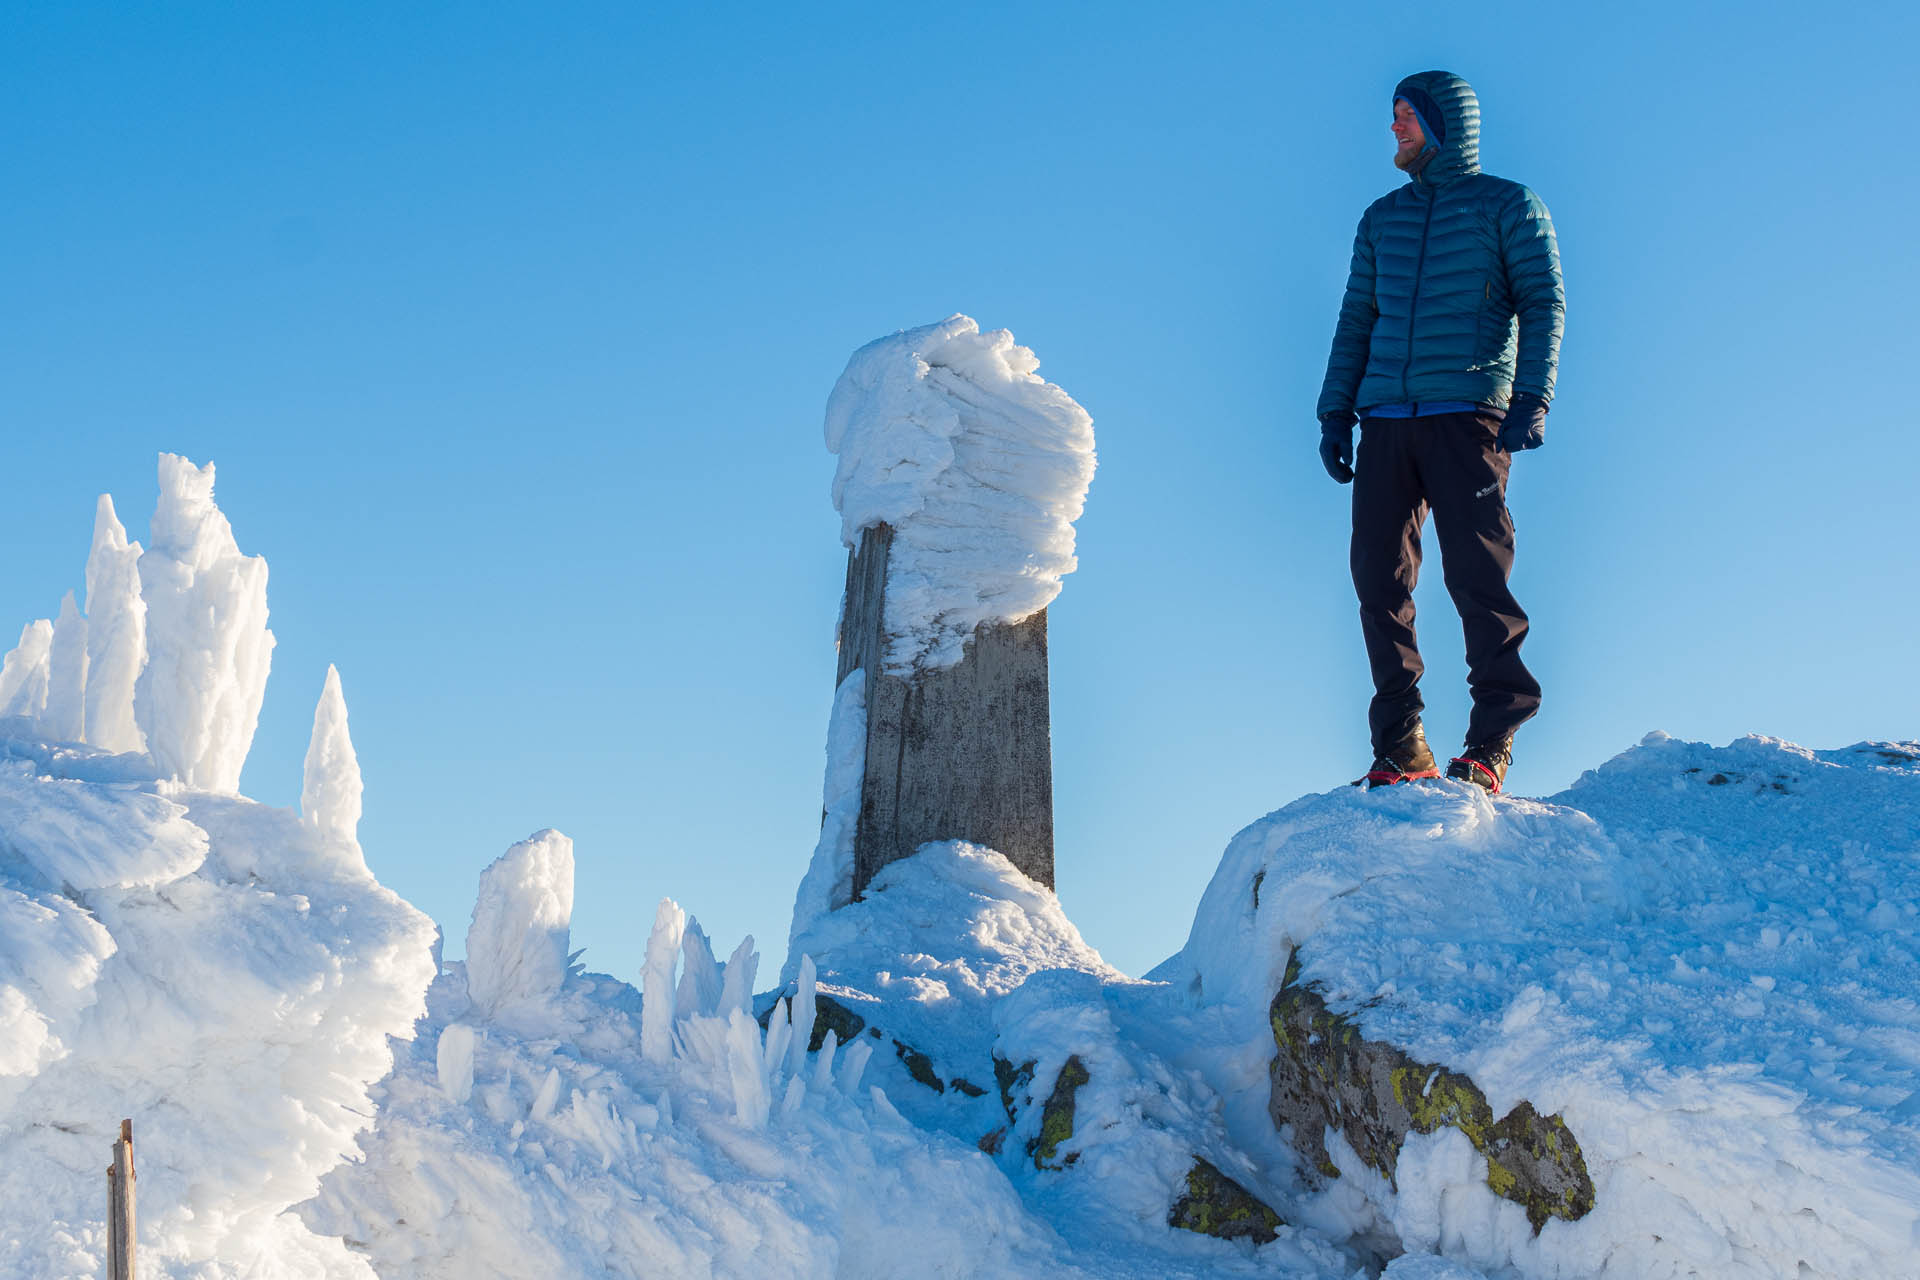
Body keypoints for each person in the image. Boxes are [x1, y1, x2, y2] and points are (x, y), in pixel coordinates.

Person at [1316, 70, 1564, 794]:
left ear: (1442, 124)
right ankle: (1401, 742)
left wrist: (1532, 397)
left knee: (1478, 578)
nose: (1393, 129)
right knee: (1377, 579)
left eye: (1405, 117)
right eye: (1393, 116)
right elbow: (1357, 318)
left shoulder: (1508, 206)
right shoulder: (1381, 219)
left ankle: (1493, 737)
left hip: (1469, 414)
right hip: (1386, 418)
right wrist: (1335, 409)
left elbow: (1543, 302)